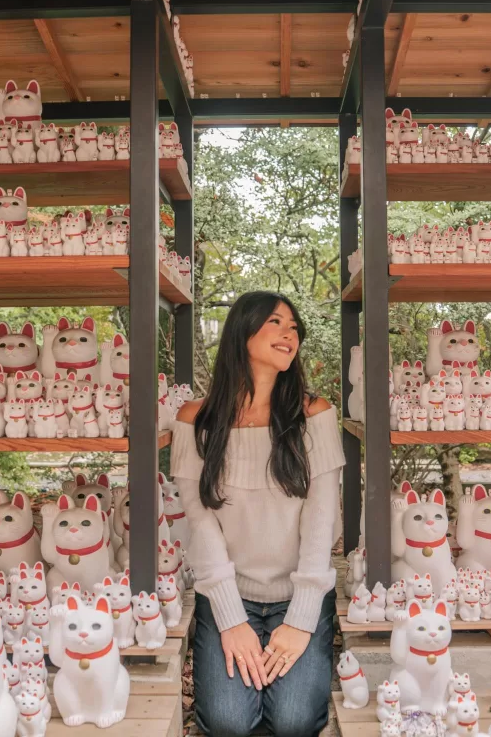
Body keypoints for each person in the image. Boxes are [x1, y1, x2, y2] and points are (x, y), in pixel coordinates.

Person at [171, 291, 345, 737]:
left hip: (299, 591)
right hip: (229, 593)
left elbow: (320, 522)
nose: (290, 334)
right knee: (228, 723)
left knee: (293, 722)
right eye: (276, 322)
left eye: (294, 328)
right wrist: (231, 619)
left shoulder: (313, 414)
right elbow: (200, 522)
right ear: (242, 332)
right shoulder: (194, 419)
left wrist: (301, 620)